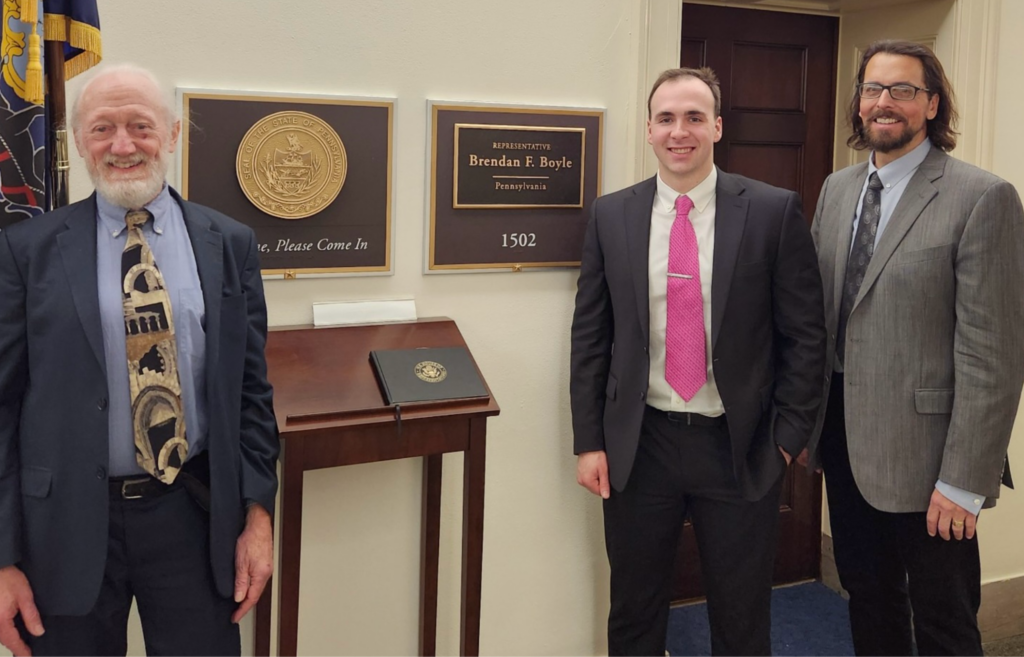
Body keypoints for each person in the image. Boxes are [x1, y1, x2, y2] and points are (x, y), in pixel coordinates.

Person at [0, 64, 280, 657]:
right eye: (102, 128)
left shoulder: (229, 244)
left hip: (192, 516)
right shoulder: (25, 252)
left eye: (140, 126)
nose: (122, 145)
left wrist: (258, 513)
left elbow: (251, 391)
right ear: (79, 142)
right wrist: (1, 557)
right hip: (63, 530)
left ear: (174, 134)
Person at [570, 67, 825, 657]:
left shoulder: (771, 211)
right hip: (641, 445)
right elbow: (591, 336)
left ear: (716, 126)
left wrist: (786, 438)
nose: (678, 131)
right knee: (634, 609)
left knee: (740, 615)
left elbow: (806, 337)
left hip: (737, 447)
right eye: (665, 119)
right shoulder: (613, 216)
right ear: (649, 131)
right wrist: (589, 441)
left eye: (692, 117)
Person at [801, 40, 1024, 657]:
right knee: (868, 600)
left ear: (931, 104)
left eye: (902, 90)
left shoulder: (981, 196)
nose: (884, 102)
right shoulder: (838, 189)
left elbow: (995, 358)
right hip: (844, 441)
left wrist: (964, 482)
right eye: (873, 89)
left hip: (933, 462)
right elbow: (821, 319)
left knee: (945, 622)